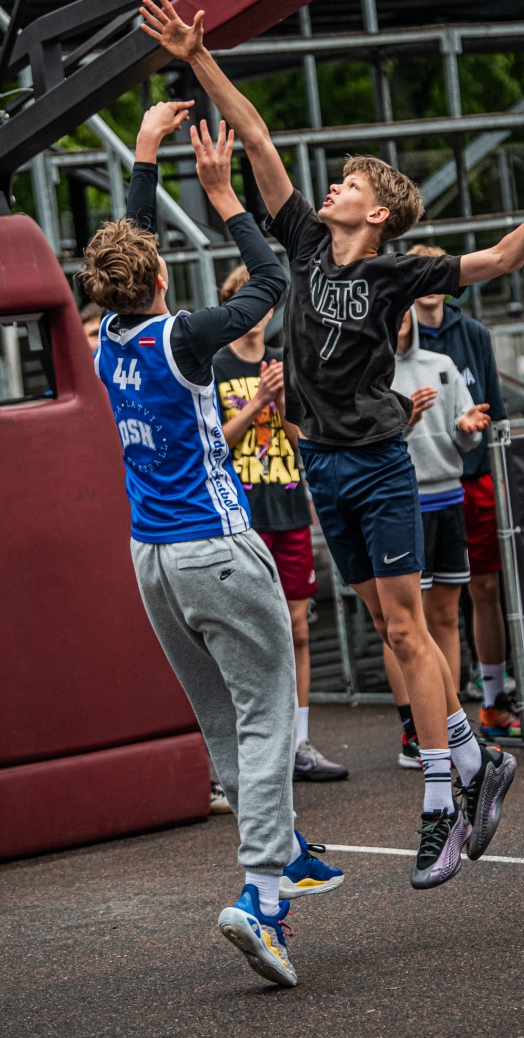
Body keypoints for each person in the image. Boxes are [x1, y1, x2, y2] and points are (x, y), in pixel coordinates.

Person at [140, 0, 524, 890]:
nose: (332, 188)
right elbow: (257, 137)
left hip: (377, 465)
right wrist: (198, 56)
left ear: (377, 215)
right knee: (386, 625)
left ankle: (442, 800)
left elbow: (499, 261)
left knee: (409, 631)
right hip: (321, 464)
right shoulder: (302, 242)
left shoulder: (396, 271)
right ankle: (477, 756)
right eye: (335, 182)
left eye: (351, 186)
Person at [81, 98, 343, 989]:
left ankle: (284, 846)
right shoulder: (184, 338)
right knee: (268, 715)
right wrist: (226, 196)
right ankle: (263, 896)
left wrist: (145, 151)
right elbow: (269, 281)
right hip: (217, 548)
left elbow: (130, 252)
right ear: (159, 277)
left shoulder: (108, 339)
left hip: (152, 560)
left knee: (223, 719)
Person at [214, 263, 348, 782]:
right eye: (242, 298)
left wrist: (285, 399)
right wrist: (258, 402)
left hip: (287, 507)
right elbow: (215, 444)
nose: (254, 310)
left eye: (261, 299)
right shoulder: (214, 364)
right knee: (244, 632)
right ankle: (252, 748)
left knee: (297, 628)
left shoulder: (283, 360)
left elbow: (302, 439)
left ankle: (299, 743)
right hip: (240, 514)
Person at [407, 245, 524, 740]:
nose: (431, 283)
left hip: (473, 478)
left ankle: (494, 698)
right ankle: (434, 715)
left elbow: (493, 413)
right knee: (420, 606)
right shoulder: (392, 338)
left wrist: (478, 444)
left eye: (439, 273)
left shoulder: (472, 333)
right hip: (417, 487)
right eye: (421, 274)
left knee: (485, 587)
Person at [388, 304, 489, 704]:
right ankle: (414, 722)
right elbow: (367, 441)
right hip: (401, 502)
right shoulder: (368, 371)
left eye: (402, 310)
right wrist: (406, 421)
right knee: (402, 623)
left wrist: (467, 428)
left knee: (446, 615)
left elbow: (466, 432)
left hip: (447, 496)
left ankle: (451, 714)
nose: (399, 318)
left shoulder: (441, 364)